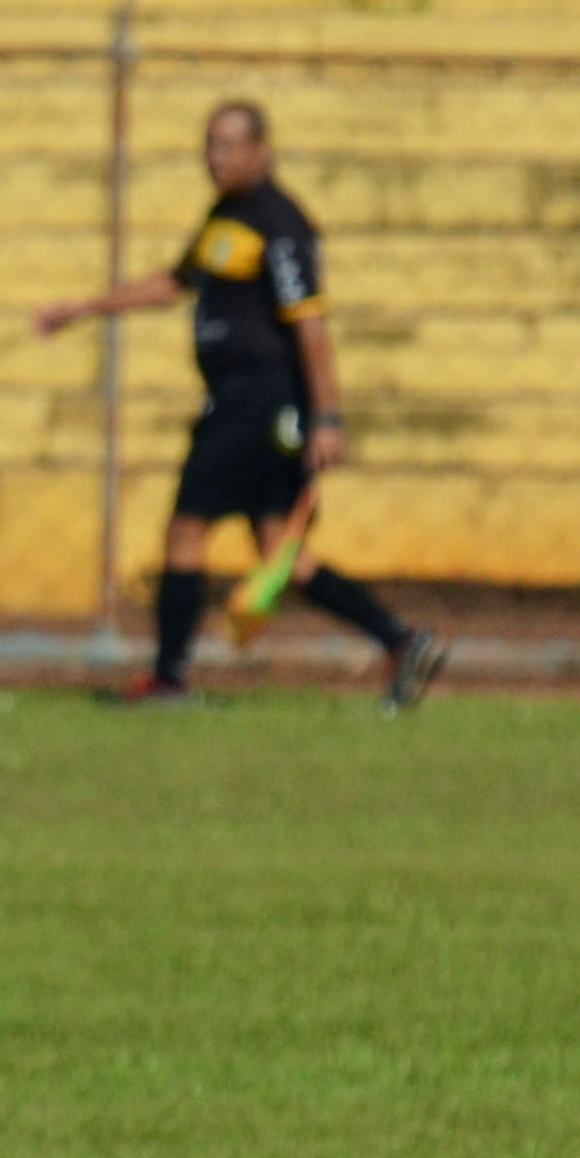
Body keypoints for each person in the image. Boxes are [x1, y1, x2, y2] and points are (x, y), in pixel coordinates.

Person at [40, 100, 450, 713]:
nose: (216, 158)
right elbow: (176, 281)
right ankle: (403, 641)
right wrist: (87, 308)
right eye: (209, 145)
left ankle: (170, 681)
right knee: (280, 553)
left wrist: (329, 419)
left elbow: (312, 327)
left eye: (229, 146)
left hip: (256, 398)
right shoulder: (225, 217)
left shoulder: (280, 224)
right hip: (242, 400)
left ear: (263, 151)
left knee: (187, 529)